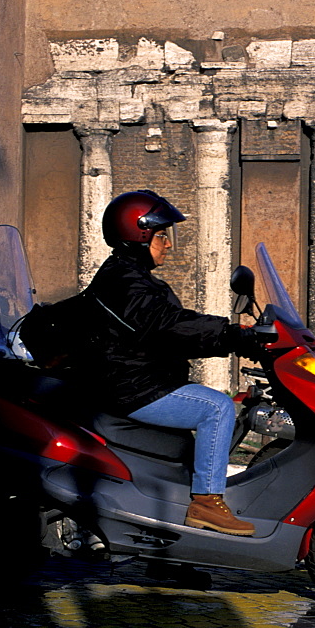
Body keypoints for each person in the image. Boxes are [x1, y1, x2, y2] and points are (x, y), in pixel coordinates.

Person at [84, 190, 259, 536]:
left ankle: (171, 550)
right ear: (140, 235)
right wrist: (231, 335)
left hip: (140, 381)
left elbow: (171, 324)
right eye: (162, 235)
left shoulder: (129, 276)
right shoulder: (127, 282)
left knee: (183, 456)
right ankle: (208, 503)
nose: (168, 244)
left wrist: (232, 333)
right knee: (218, 408)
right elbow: (170, 327)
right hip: (133, 387)